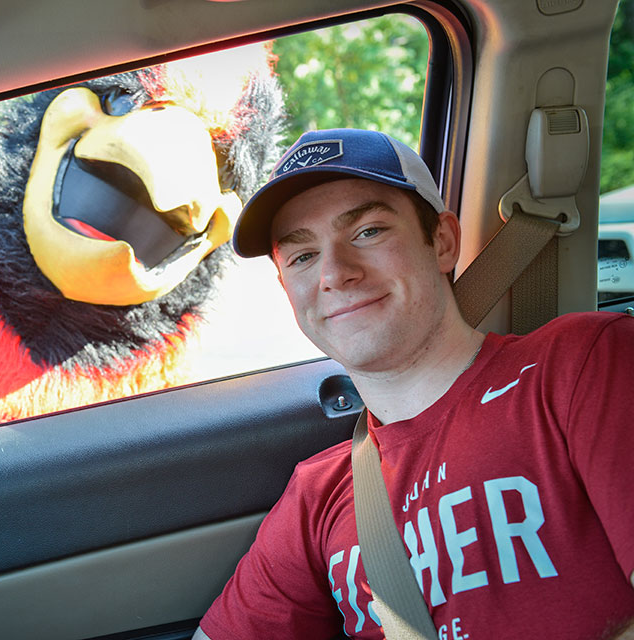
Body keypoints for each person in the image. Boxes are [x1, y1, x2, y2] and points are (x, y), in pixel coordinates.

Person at [193, 129, 634, 639]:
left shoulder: (584, 363)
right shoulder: (316, 498)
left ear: (442, 242)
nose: (334, 274)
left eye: (368, 232)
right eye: (302, 257)